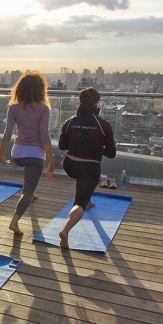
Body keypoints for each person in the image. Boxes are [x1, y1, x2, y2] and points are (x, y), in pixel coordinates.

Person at [57, 87, 116, 249]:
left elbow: (62, 146)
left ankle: (88, 200)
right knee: (79, 203)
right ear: (97, 103)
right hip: (89, 167)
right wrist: (97, 148)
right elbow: (111, 153)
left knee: (83, 181)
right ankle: (65, 229)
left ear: (79, 102)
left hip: (70, 164)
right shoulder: (103, 125)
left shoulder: (70, 123)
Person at [0, 71, 54, 235]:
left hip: (17, 154)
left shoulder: (13, 107)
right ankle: (14, 221)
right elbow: (44, 137)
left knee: (30, 183)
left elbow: (7, 134)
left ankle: (32, 192)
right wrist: (51, 161)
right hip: (35, 155)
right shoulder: (43, 109)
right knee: (26, 192)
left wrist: (1, 154)